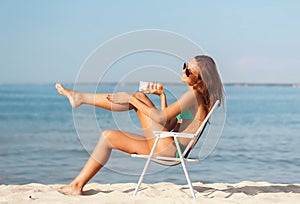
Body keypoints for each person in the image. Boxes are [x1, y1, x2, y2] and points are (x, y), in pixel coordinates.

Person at [55, 55, 225, 195]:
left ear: (200, 78)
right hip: (169, 147)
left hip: (170, 150)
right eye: (184, 66)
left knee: (138, 97)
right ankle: (76, 185)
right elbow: (169, 123)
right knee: (108, 137)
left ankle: (81, 98)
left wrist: (131, 100)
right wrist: (162, 96)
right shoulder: (195, 97)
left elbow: (159, 118)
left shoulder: (193, 96)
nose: (183, 71)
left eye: (188, 70)